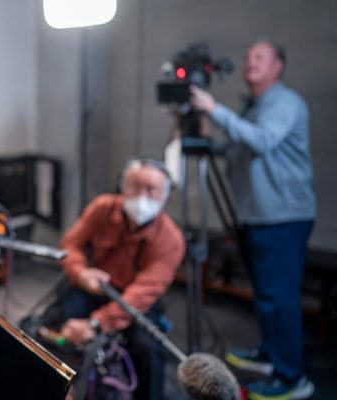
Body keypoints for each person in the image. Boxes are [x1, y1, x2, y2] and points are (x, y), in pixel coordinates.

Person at [191, 40, 316, 400]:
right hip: (258, 217)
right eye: (247, 56)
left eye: (259, 57)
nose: (249, 62)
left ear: (278, 65)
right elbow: (236, 147)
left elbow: (262, 141)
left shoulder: (284, 103)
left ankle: (292, 378)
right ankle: (270, 353)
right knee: (265, 296)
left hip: (283, 218)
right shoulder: (254, 107)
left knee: (280, 299)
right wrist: (203, 134)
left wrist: (214, 108)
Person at [58, 158, 185, 400]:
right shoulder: (101, 208)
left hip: (135, 302)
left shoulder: (171, 239)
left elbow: (143, 292)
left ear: (164, 196)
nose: (142, 196)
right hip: (92, 288)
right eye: (135, 187)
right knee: (64, 326)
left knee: (149, 349)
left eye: (152, 190)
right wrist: (81, 273)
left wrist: (97, 324)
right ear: (123, 186)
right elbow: (70, 245)